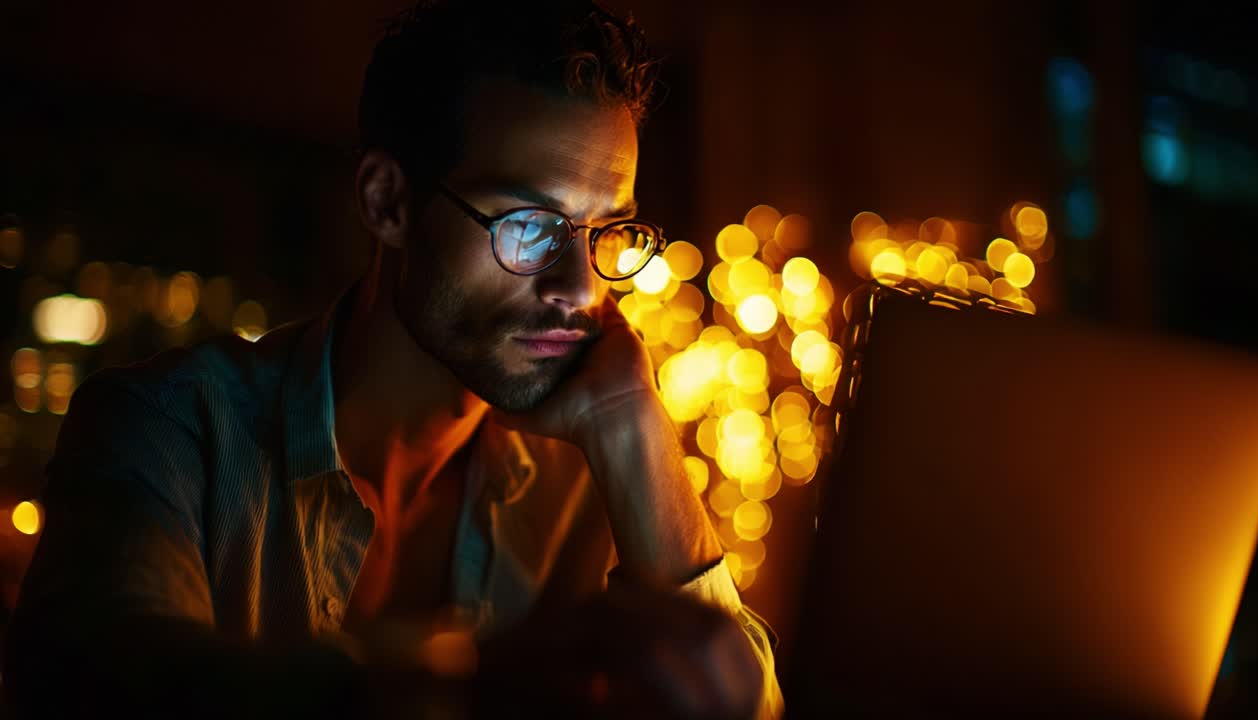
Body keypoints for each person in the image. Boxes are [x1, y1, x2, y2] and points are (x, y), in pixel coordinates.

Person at [4, 1, 783, 717]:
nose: (578, 290)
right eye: (528, 226)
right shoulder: (171, 432)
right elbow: (104, 687)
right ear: (387, 203)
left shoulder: (592, 479)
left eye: (605, 231)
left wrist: (629, 423)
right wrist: (469, 683)